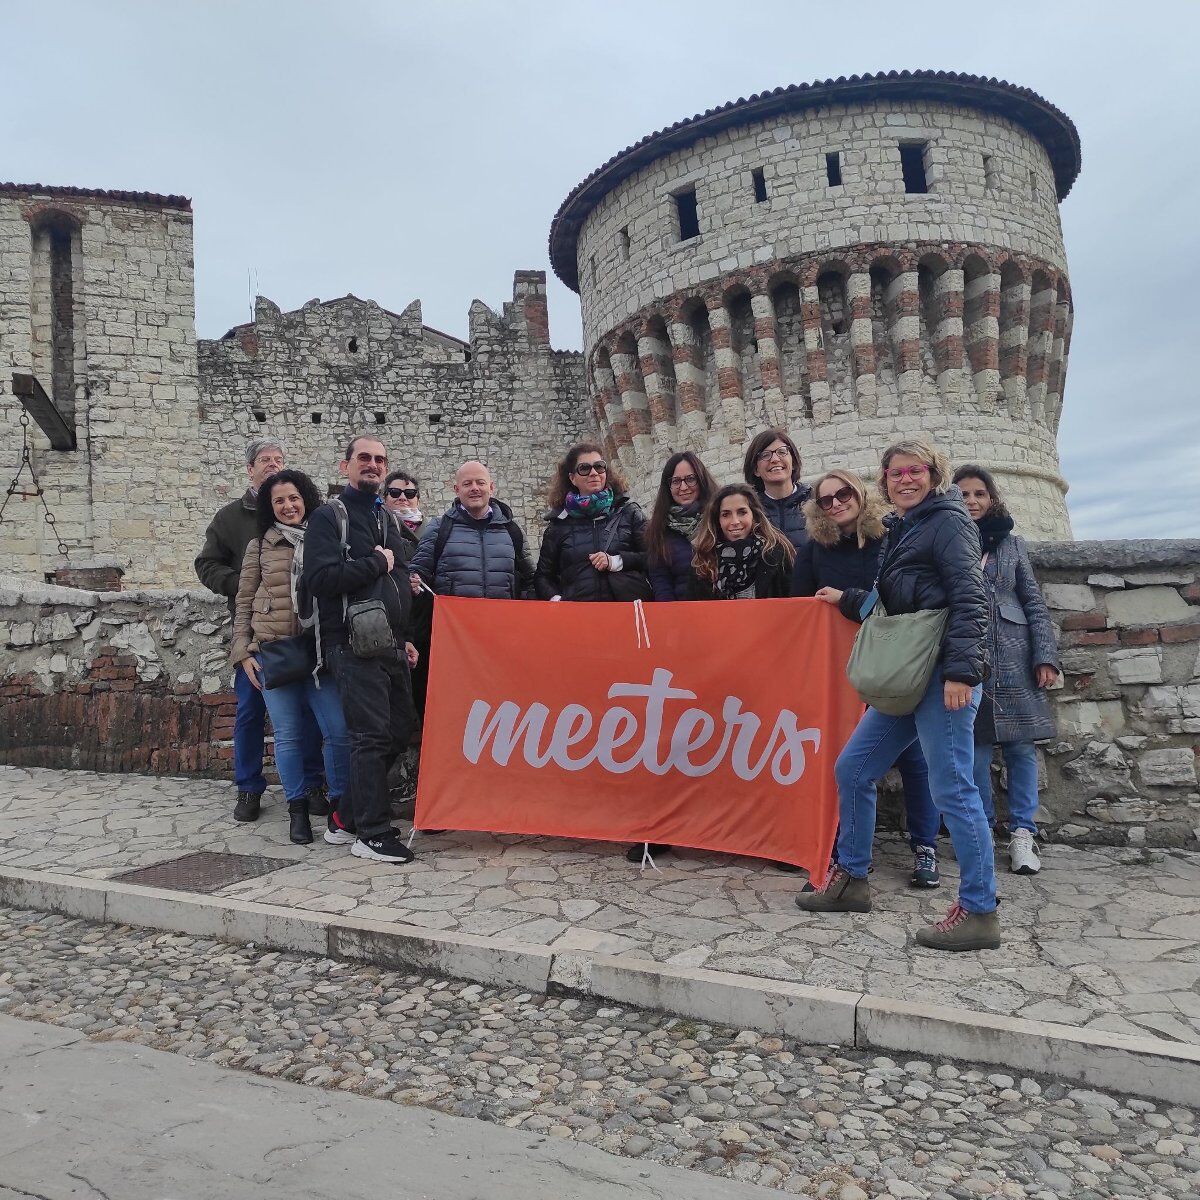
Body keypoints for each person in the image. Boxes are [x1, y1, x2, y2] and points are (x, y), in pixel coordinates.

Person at [796, 438, 999, 952]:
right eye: (895, 472)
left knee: (952, 788)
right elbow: (899, 600)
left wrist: (962, 673)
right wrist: (848, 599)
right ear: (884, 479)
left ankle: (979, 910)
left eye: (916, 470)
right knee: (854, 769)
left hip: (939, 677)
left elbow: (971, 598)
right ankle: (852, 882)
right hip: (909, 675)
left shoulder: (948, 522)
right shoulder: (904, 528)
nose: (905, 479)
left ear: (934, 473)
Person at [793, 470, 943, 889]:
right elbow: (800, 611)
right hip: (839, 667)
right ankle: (845, 852)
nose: (837, 503)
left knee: (913, 757)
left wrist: (847, 602)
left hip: (893, 660)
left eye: (844, 493)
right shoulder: (813, 552)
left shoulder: (890, 537)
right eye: (826, 499)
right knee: (845, 757)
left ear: (860, 494)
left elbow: (901, 593)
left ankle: (925, 847)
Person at [195, 438, 326, 823]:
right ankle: (249, 787)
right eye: (264, 460)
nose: (272, 464)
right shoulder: (230, 517)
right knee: (251, 712)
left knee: (307, 714)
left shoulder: (305, 517)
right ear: (250, 469)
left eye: (278, 459)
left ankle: (312, 784)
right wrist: (247, 587)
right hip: (256, 634)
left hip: (300, 633)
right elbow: (206, 565)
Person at [303, 435, 421, 864]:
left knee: (398, 727)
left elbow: (400, 578)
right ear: (345, 466)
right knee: (370, 735)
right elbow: (319, 580)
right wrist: (376, 563)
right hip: (351, 644)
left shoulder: (385, 517)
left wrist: (405, 635)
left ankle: (345, 818)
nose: (373, 465)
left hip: (389, 641)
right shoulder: (326, 518)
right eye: (364, 458)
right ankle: (372, 833)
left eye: (380, 459)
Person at [230, 470, 351, 846]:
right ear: (270, 508)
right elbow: (245, 600)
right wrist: (241, 653)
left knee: (338, 732)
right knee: (287, 737)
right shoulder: (260, 546)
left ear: (307, 500)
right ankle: (297, 811)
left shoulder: (325, 539)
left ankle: (341, 810)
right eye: (279, 501)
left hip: (318, 651)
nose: (288, 506)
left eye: (294, 498)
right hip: (275, 652)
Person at [954, 464, 1060, 876]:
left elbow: (1032, 602)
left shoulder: (1012, 545)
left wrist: (1045, 657)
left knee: (1020, 751)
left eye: (979, 494)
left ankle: (1022, 834)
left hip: (1015, 657)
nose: (972, 501)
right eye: (963, 495)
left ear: (992, 498)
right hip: (969, 661)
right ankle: (980, 832)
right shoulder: (949, 542)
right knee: (974, 755)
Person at [534, 444, 650, 602]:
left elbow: (653, 557)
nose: (594, 473)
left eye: (599, 467)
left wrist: (616, 561)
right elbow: (543, 577)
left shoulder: (628, 512)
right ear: (572, 478)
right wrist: (557, 601)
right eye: (584, 468)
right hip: (579, 617)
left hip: (626, 613)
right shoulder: (559, 525)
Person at [410, 460, 535, 599]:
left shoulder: (513, 530)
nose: (474, 488)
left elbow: (530, 580)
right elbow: (418, 574)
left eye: (480, 483)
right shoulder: (439, 528)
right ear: (457, 490)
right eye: (467, 484)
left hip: (503, 618)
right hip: (454, 619)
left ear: (491, 487)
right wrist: (414, 582)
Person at [689, 484, 794, 599]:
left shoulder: (775, 553)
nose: (735, 521)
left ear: (753, 515)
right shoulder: (703, 562)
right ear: (717, 520)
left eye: (742, 512)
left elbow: (792, 602)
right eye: (726, 515)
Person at [383, 469, 431, 720]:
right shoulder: (379, 530)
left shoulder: (434, 531)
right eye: (395, 492)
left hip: (428, 623)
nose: (403, 498)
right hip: (397, 624)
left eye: (410, 493)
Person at [645, 452, 717, 602]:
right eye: (676, 481)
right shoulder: (659, 530)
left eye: (690, 479)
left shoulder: (719, 519)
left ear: (701, 480)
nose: (683, 487)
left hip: (725, 609)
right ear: (668, 486)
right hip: (685, 614)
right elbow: (661, 582)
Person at [743, 428, 812, 553]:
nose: (775, 459)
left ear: (794, 462)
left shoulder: (818, 502)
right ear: (755, 470)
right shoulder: (749, 511)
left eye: (782, 452)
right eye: (765, 455)